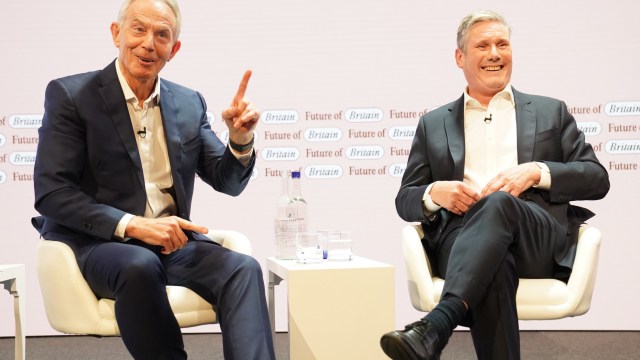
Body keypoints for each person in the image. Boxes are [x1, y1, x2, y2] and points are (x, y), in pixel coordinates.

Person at [31, 0, 275, 359]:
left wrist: (239, 140)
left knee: (243, 268)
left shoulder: (189, 103)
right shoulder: (72, 96)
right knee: (138, 264)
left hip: (172, 245)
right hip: (97, 244)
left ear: (173, 50)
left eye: (162, 35)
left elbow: (229, 182)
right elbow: (52, 192)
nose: (148, 43)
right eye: (138, 29)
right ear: (116, 34)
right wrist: (135, 227)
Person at [380, 10, 609, 360]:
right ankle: (436, 329)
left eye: (502, 44)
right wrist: (433, 193)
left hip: (535, 234)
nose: (495, 53)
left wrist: (536, 171)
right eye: (483, 45)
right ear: (460, 57)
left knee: (499, 203)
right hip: (462, 236)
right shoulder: (434, 123)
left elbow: (597, 178)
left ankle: (440, 321)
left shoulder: (550, 112)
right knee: (495, 264)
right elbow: (405, 199)